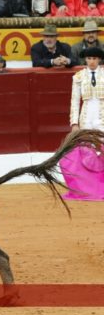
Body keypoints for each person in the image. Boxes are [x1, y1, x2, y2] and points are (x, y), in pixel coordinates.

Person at [59, 46, 104, 200]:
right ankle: (89, 188)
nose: (92, 62)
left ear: (99, 60)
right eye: (89, 58)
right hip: (85, 119)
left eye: (95, 59)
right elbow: (74, 102)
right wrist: (74, 123)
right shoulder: (78, 77)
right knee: (87, 153)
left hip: (102, 117)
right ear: (86, 59)